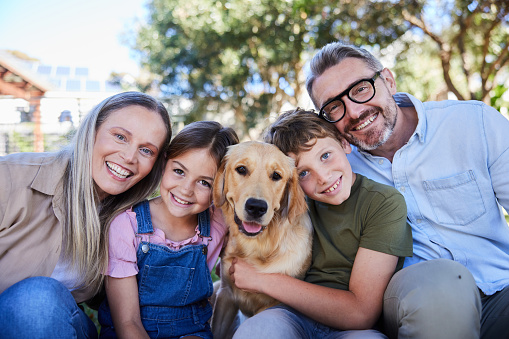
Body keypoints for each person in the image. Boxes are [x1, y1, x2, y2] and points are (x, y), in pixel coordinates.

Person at [305, 41, 509, 339]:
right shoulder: (335, 172)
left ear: (387, 80)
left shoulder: (472, 122)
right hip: (416, 304)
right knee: (443, 284)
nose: (355, 111)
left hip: (501, 287)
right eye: (334, 107)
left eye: (360, 88)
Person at [0, 91, 172, 339]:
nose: (129, 157)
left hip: (60, 325)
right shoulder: (10, 178)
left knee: (37, 302)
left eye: (146, 150)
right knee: (34, 299)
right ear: (92, 131)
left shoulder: (129, 221)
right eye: (120, 136)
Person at [230, 108, 413, 338]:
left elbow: (360, 313)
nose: (323, 177)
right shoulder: (292, 201)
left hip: (354, 328)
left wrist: (261, 280)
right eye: (304, 173)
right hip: (291, 316)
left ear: (345, 144)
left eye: (325, 156)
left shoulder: (383, 203)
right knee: (257, 331)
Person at [98, 121, 239, 339]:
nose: (186, 189)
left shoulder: (219, 223)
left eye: (204, 183)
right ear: (164, 163)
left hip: (192, 332)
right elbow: (127, 322)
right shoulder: (127, 225)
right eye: (179, 171)